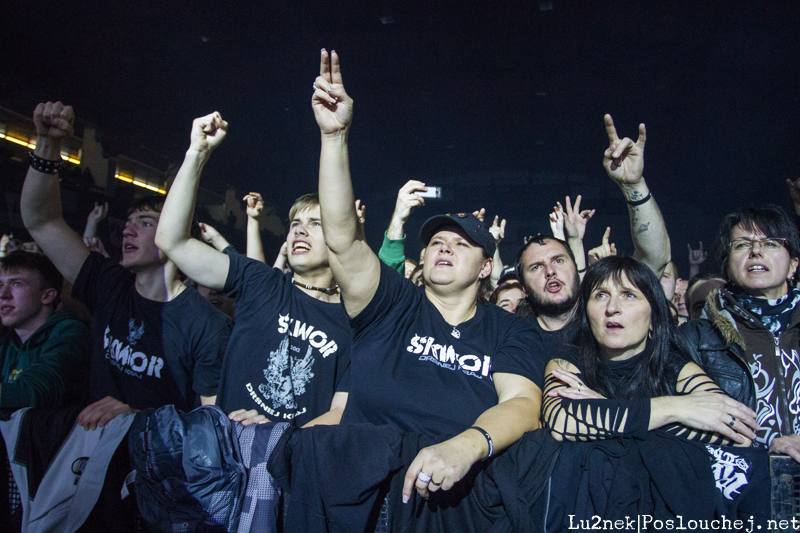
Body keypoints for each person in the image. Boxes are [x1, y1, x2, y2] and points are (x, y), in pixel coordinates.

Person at [311, 49, 544, 506]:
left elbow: (521, 405)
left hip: (451, 500)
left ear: (485, 268)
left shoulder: (509, 330)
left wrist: (466, 445)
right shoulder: (391, 305)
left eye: (461, 244)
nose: (444, 248)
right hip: (356, 496)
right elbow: (341, 240)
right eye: (437, 241)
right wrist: (334, 139)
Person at [19, 101, 232, 430]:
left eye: (145, 223)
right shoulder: (108, 282)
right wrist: (47, 144)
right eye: (130, 221)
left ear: (174, 234)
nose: (128, 229)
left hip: (154, 474)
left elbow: (213, 429)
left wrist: (137, 420)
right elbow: (41, 220)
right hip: (90, 464)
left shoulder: (208, 327)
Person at [154, 113, 351, 428]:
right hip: (222, 466)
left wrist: (274, 438)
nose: (300, 231)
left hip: (289, 470)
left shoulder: (353, 323)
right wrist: (197, 154)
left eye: (316, 224)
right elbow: (172, 240)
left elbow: (341, 412)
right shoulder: (261, 282)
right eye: (296, 224)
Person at [542, 256, 764, 527]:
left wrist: (607, 410)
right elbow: (561, 421)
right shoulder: (566, 361)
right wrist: (676, 409)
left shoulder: (675, 366)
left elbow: (736, 433)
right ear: (586, 312)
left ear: (653, 317)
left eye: (629, 295)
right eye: (600, 295)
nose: (612, 308)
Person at [516, 115, 671, 349]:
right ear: (524, 289)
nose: (550, 271)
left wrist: (633, 186)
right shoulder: (515, 338)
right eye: (536, 267)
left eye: (559, 260)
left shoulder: (606, 320)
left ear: (578, 270)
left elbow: (656, 257)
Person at [681, 204, 800, 461]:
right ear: (727, 267)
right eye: (742, 245)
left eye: (771, 244)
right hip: (738, 489)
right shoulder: (698, 338)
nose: (756, 251)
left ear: (793, 265)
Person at [0, 251, 90, 410]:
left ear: (48, 296)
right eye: (0, 285)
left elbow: (35, 393)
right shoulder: (8, 342)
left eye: (17, 284)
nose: (3, 295)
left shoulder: (69, 332)